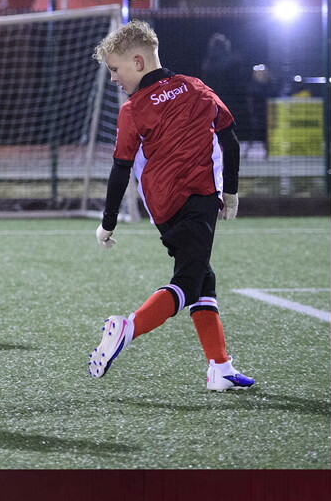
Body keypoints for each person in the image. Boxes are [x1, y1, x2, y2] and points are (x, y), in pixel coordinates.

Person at [87, 20, 254, 392]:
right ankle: (127, 327)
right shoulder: (196, 89)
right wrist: (233, 191)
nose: (113, 78)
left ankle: (220, 367)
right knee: (187, 281)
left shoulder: (133, 109)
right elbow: (230, 140)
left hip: (162, 208)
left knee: (202, 278)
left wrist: (108, 221)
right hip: (199, 198)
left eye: (115, 69)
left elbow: (120, 168)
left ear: (138, 62)